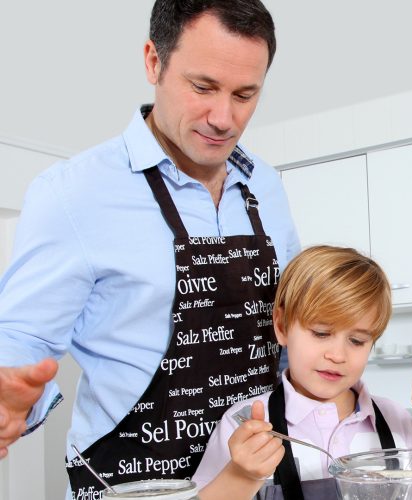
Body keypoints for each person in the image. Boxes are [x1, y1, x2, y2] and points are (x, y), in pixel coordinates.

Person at [0, 0, 300, 497]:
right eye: (203, 87)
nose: (224, 118)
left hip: (256, 481)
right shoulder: (73, 193)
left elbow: (290, 331)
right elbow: (21, 342)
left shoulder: (265, 186)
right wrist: (9, 398)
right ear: (152, 62)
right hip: (136, 487)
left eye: (245, 94)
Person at [193, 245, 412, 500]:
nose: (338, 355)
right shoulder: (242, 424)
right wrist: (240, 476)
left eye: (357, 341)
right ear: (281, 326)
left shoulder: (396, 421)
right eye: (321, 333)